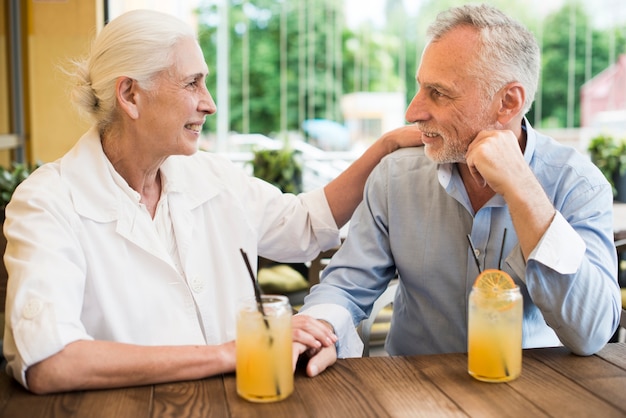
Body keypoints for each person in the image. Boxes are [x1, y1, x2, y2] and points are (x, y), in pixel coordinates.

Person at [1, 9, 420, 394]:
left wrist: (383, 149)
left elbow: (306, 225)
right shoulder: (46, 202)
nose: (210, 103)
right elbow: (50, 361)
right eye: (191, 83)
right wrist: (230, 352)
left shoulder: (212, 176)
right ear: (129, 95)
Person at [298, 4, 622, 375]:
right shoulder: (395, 176)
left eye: (438, 93)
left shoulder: (578, 184)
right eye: (420, 87)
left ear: (508, 102)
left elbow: (592, 332)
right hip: (413, 390)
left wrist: (523, 191)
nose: (413, 111)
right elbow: (346, 285)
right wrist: (316, 329)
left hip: (535, 393)